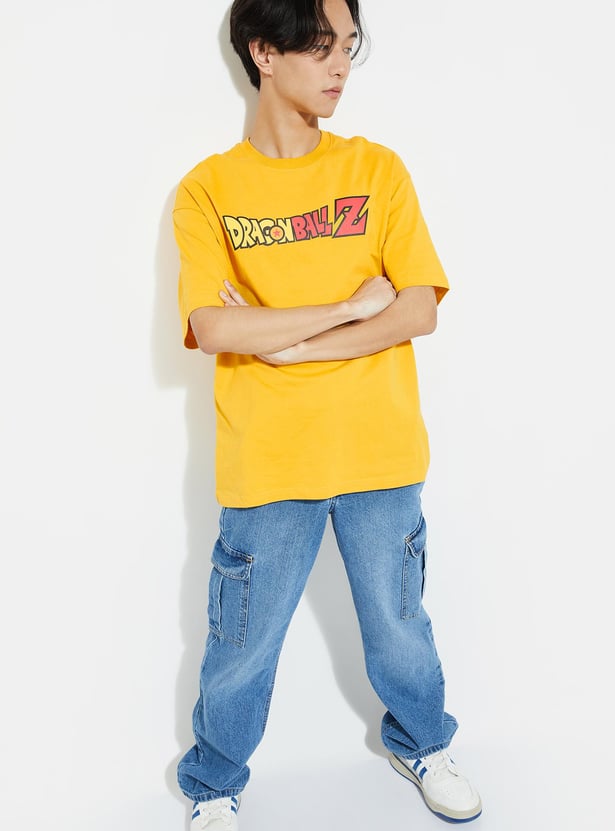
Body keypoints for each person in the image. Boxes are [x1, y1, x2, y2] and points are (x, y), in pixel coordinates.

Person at [173, 0, 482, 827]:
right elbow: (213, 326)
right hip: (269, 459)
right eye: (319, 47)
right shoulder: (208, 189)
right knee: (242, 642)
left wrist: (291, 345)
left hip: (379, 449)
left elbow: (416, 308)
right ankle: (214, 781)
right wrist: (346, 307)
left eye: (348, 46)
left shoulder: (376, 170)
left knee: (399, 624)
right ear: (263, 52)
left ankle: (422, 740)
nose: (341, 65)